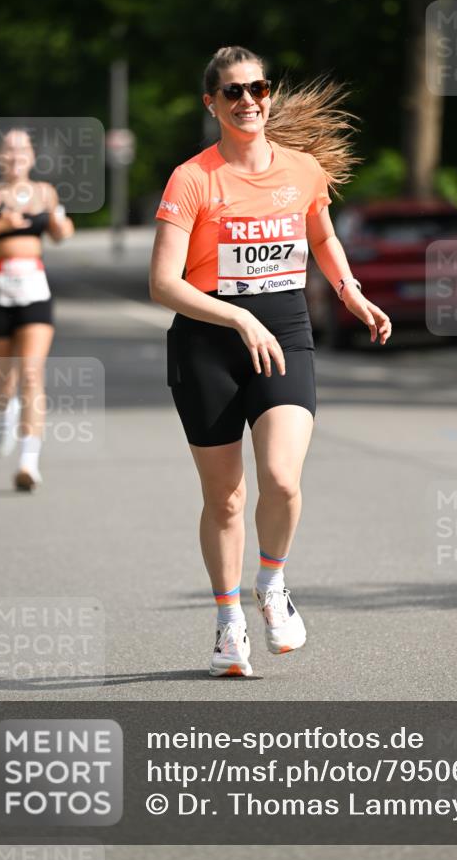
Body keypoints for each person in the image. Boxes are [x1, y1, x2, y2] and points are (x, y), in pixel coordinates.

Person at [150, 46, 391, 677]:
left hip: (284, 330)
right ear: (213, 103)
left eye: (258, 88)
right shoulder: (193, 178)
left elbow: (323, 236)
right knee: (226, 498)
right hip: (208, 341)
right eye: (233, 92)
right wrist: (235, 316)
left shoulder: (304, 170)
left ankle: (272, 584)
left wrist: (351, 292)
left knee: (282, 478)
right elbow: (163, 284)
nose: (249, 100)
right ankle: (229, 624)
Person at [0, 128, 75, 491]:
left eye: (22, 150)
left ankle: (28, 463)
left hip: (34, 285)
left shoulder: (45, 192)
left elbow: (63, 232)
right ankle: (4, 412)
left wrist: (58, 223)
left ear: (32, 157)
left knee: (32, 373)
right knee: (4, 375)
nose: (15, 157)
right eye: (9, 151)